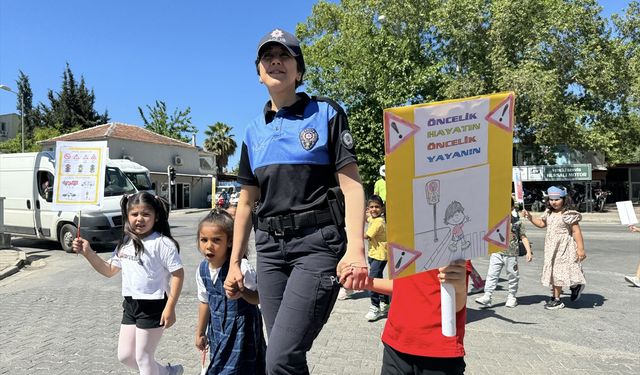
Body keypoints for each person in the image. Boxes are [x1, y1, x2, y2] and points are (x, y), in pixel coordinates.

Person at [224, 28, 368, 374]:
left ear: (299, 71)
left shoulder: (327, 114)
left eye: (285, 56)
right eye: (268, 57)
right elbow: (245, 203)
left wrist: (356, 249)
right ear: (259, 73)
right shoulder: (252, 131)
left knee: (280, 358)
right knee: (285, 356)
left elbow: (352, 187)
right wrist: (234, 261)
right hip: (270, 250)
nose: (276, 61)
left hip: (317, 246)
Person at [72, 192, 185, 375]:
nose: (140, 219)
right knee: (125, 355)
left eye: (146, 214)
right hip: (131, 304)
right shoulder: (126, 242)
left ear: (156, 217)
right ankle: (168, 372)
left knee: (143, 356)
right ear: (127, 216)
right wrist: (88, 252)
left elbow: (178, 275)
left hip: (154, 305)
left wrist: (170, 307)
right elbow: (109, 270)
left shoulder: (162, 243)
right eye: (134, 214)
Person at [348, 260, 470, 374]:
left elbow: (456, 306)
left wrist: (459, 289)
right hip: (395, 347)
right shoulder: (402, 240)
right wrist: (366, 282)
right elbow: (401, 286)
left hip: (439, 353)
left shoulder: (452, 243)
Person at [194, 209, 265, 374]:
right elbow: (204, 301)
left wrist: (242, 292)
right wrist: (200, 332)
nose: (208, 246)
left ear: (230, 242)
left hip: (242, 332)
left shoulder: (242, 268)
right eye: (203, 240)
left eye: (216, 240)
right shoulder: (202, 269)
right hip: (218, 330)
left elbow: (258, 299)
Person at [523, 186, 586, 310]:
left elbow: (576, 232)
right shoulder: (549, 212)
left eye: (557, 199)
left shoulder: (568, 214)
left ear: (564, 199)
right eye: (551, 199)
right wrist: (530, 217)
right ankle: (575, 287)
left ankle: (556, 299)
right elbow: (541, 224)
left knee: (558, 271)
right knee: (558, 271)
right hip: (551, 247)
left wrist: (580, 249)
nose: (554, 202)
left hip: (564, 247)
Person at [475, 198, 533, 308]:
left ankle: (512, 296)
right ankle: (487, 296)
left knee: (512, 275)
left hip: (511, 254)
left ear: (512, 207)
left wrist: (528, 252)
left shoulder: (517, 222)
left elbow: (523, 237)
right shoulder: (496, 220)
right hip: (496, 252)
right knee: (492, 274)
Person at [364, 195, 389, 321]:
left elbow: (366, 236)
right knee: (379, 279)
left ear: (382, 209)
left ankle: (375, 307)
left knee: (372, 281)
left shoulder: (379, 222)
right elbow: (367, 219)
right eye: (372, 207)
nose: (374, 209)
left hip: (379, 256)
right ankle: (386, 303)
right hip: (373, 254)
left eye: (377, 207)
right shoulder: (373, 219)